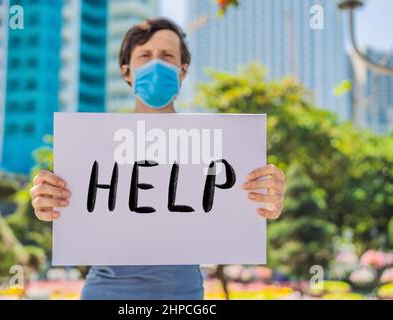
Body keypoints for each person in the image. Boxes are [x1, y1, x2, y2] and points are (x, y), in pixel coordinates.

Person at [29, 18, 286, 300]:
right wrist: (47, 200)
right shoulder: (95, 146)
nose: (156, 64)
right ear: (127, 72)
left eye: (167, 56)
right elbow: (66, 211)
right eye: (144, 55)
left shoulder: (213, 147)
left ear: (182, 70)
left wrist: (266, 198)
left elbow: (238, 213)